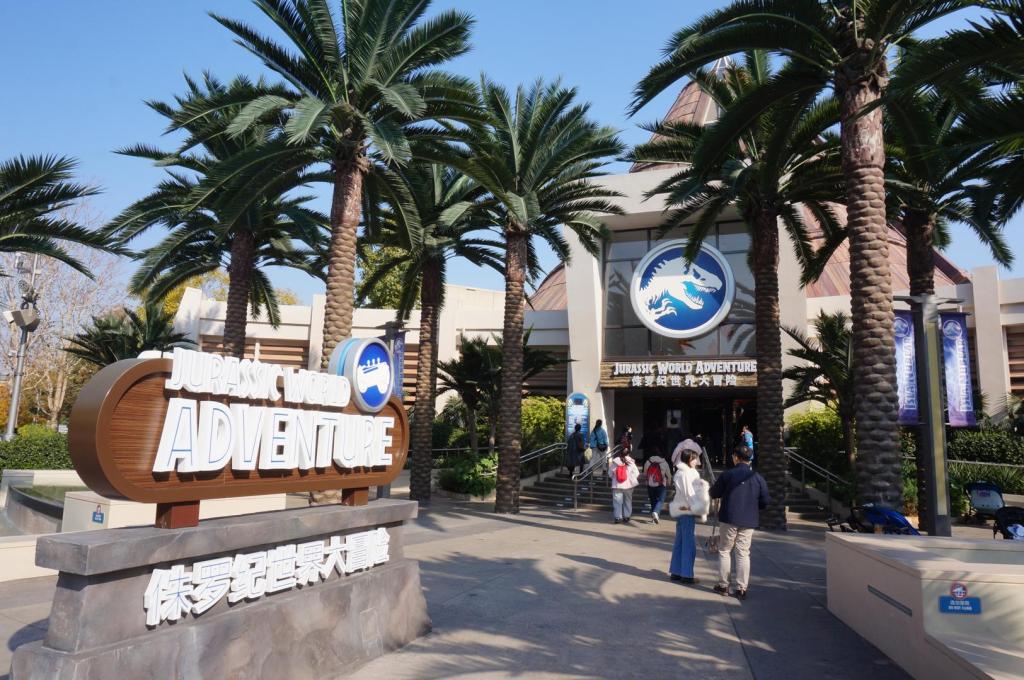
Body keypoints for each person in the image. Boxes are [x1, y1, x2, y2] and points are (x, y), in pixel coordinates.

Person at [709, 445, 770, 600]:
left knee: (725, 550)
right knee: (743, 552)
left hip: (729, 518)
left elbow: (714, 493)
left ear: (735, 457)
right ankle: (741, 588)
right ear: (750, 459)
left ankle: (723, 585)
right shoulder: (757, 477)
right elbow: (765, 501)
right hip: (749, 519)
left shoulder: (727, 474)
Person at [668, 449, 709, 584]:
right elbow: (689, 493)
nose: (696, 461)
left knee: (680, 541)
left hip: (681, 509)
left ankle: (676, 572)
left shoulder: (682, 472)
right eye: (693, 458)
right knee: (688, 543)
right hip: (687, 509)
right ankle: (686, 574)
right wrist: (698, 507)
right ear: (688, 459)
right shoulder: (686, 473)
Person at [609, 448, 639, 524]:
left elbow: (610, 474)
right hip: (629, 485)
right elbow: (636, 473)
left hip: (617, 485)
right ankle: (627, 516)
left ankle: (618, 517)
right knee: (628, 501)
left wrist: (615, 478)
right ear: (628, 453)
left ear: (620, 453)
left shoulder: (615, 462)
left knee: (617, 502)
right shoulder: (631, 462)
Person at [642, 451, 671, 524]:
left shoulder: (648, 462)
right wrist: (669, 482)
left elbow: (645, 473)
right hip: (661, 484)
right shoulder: (664, 462)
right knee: (660, 500)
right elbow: (668, 474)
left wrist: (647, 480)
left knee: (653, 501)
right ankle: (656, 512)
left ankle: (654, 518)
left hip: (650, 484)